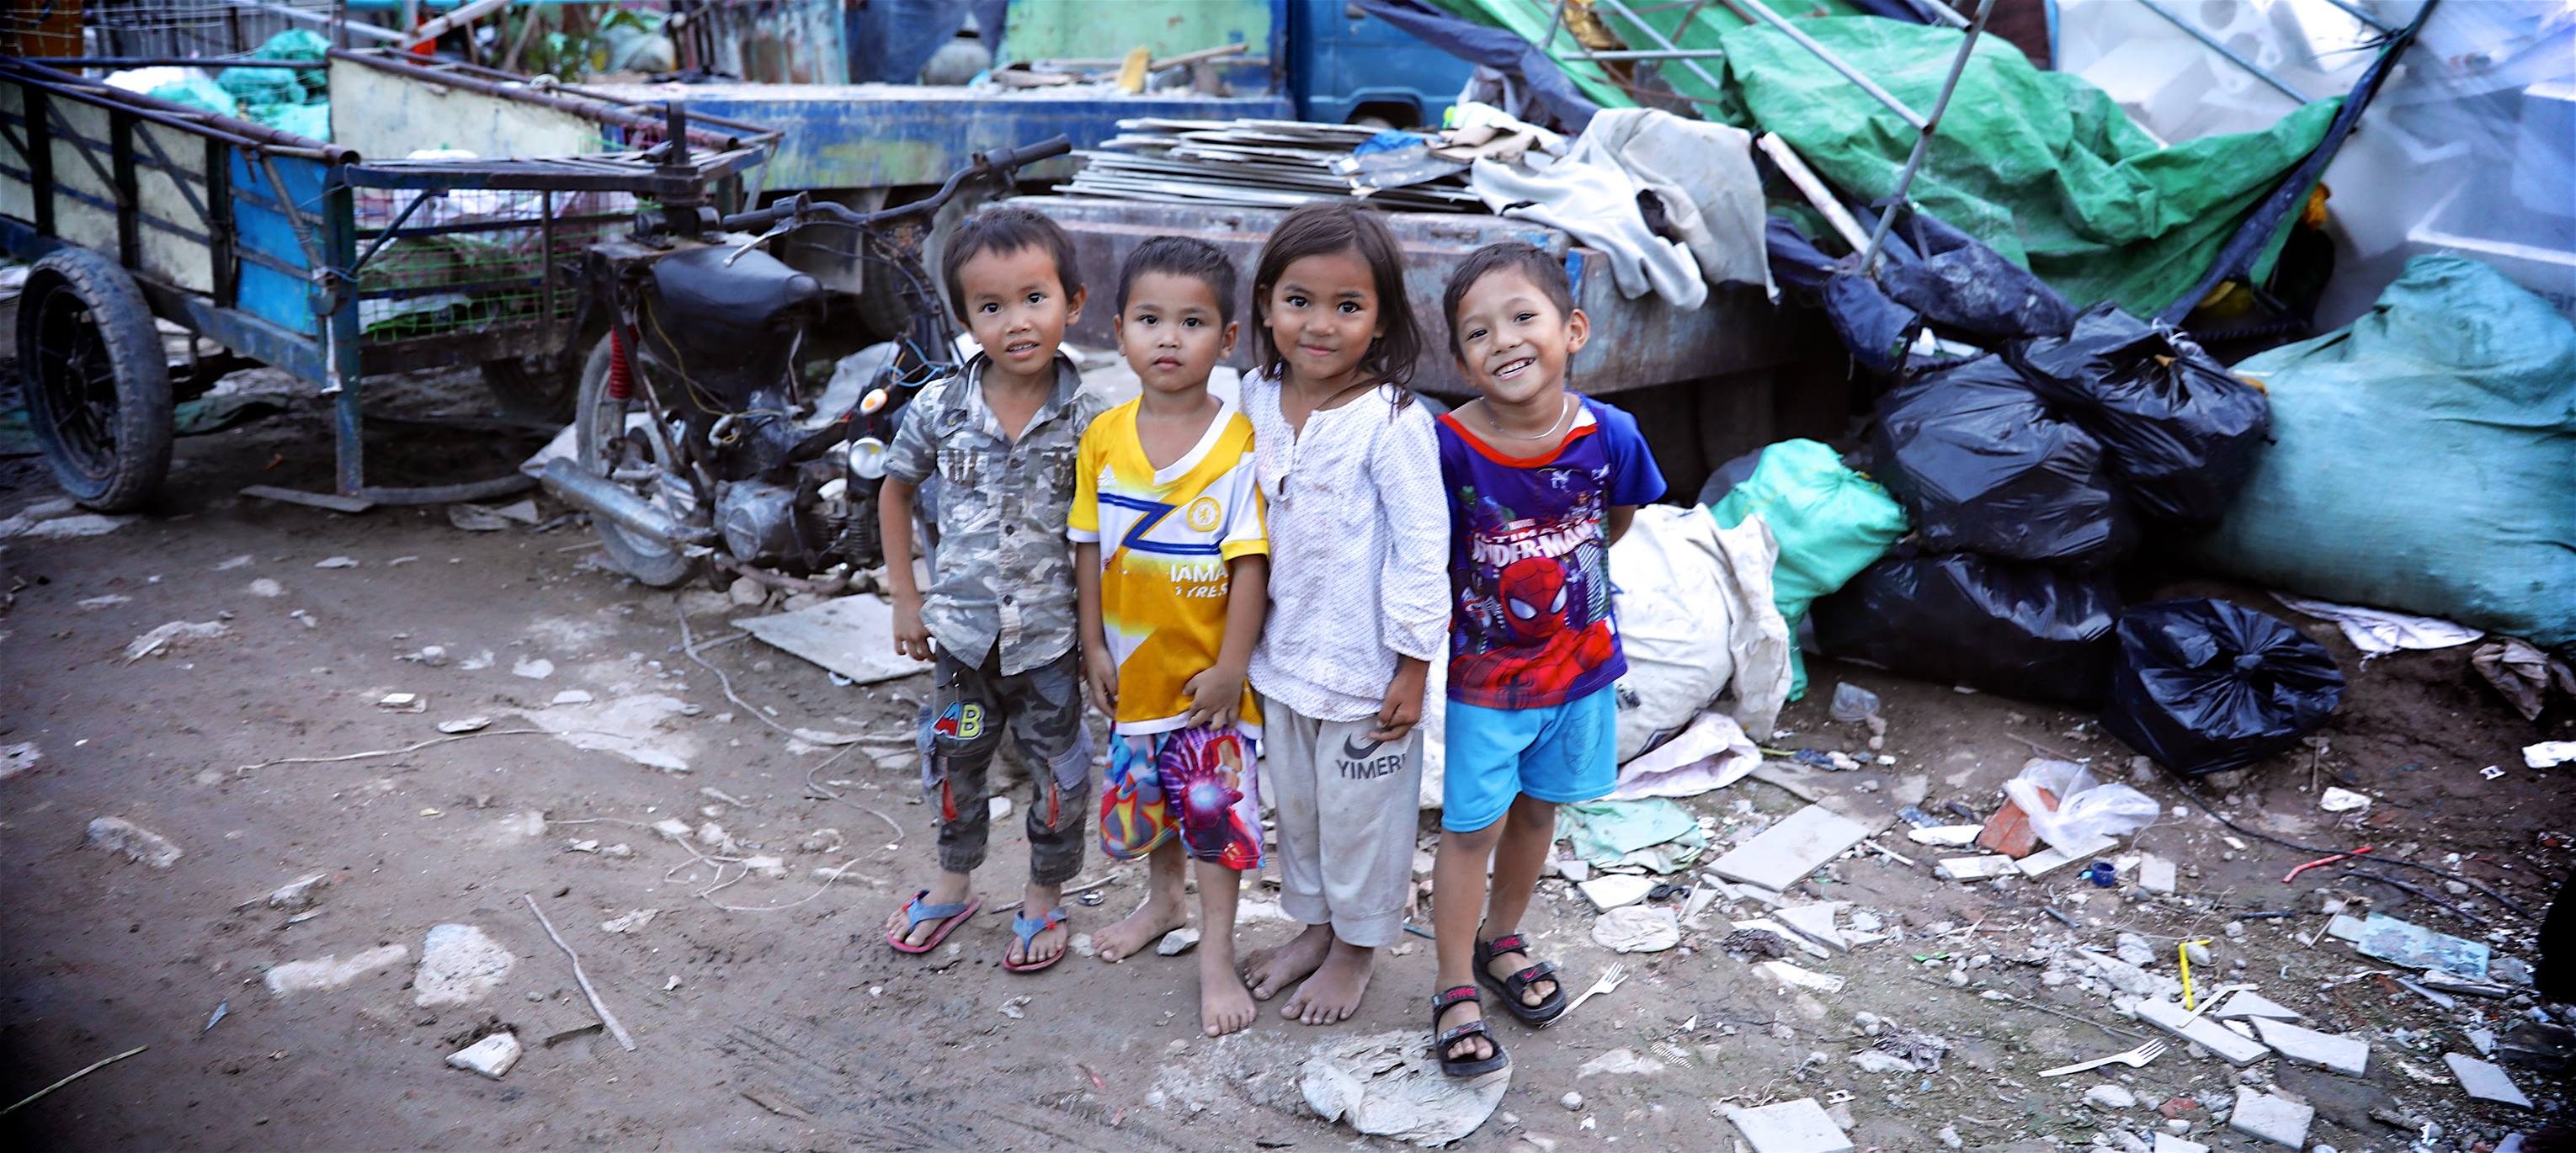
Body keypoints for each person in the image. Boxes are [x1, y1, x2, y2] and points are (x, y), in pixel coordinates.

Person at [1425, 241, 1664, 1076]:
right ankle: (1454, 980)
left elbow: (1617, 517)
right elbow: (1433, 552)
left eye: (1523, 317)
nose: (1504, 340)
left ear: (1574, 329)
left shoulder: (1612, 433)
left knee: (1538, 811)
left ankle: (1504, 938)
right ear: (1460, 360)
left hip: (1581, 669)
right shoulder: (1448, 445)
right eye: (1478, 332)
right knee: (1470, 828)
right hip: (1487, 683)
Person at [1232, 203, 1449, 1028]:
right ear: (1264, 305)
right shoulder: (1251, 396)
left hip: (1366, 673)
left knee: (1364, 822)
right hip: (1281, 659)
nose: (1320, 324)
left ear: (1382, 318)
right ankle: (1314, 929)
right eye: (1299, 300)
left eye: (1347, 306)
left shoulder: (1392, 422)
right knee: (1303, 811)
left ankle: (1356, 947)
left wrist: (1413, 664)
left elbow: (1424, 549)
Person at [878, 205, 1104, 974]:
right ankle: (952, 883)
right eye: (991, 306)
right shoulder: (939, 407)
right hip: (962, 643)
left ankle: (1044, 896)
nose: (1016, 321)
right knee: (956, 759)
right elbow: (896, 490)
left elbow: (1097, 539)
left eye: (1034, 299)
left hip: (1049, 645)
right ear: (966, 316)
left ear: (1073, 302)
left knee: (1056, 773)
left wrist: (1098, 640)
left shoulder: (1090, 421)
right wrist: (908, 596)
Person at [1072, 236, 1273, 1038]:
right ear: (1119, 330)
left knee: (1215, 822)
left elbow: (1251, 565)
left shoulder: (1240, 442)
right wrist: (1092, 642)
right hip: (1132, 672)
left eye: (1192, 322)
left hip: (1206, 687)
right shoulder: (1104, 437)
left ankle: (1216, 957)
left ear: (1226, 342)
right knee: (1152, 807)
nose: (1168, 337)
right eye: (1149, 319)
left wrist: (1232, 667)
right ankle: (1161, 903)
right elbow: (1087, 543)